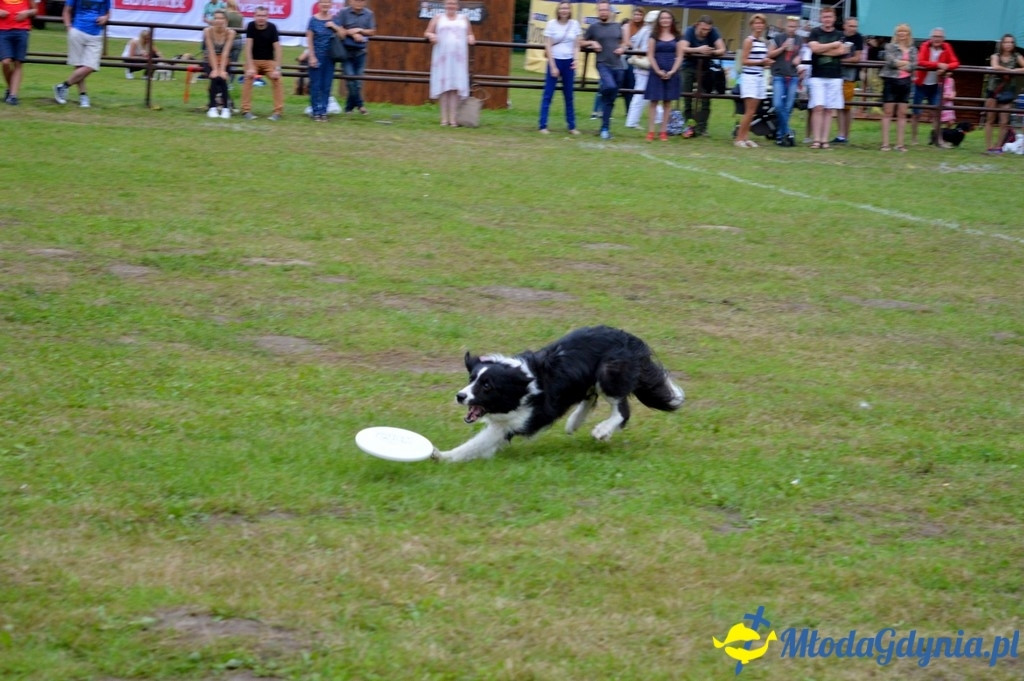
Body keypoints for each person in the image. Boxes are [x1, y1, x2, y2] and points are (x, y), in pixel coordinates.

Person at [425, 0, 475, 127]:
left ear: (457, 6)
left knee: (454, 88)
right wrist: (431, 36)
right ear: (445, 5)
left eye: (453, 4)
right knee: (444, 88)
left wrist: (470, 37)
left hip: (458, 58)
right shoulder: (438, 17)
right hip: (442, 57)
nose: (451, 6)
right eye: (448, 3)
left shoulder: (464, 18)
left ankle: (453, 119)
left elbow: (470, 34)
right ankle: (444, 118)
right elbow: (427, 32)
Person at [52, 0, 110, 108]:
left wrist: (106, 17)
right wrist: (69, 28)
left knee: (90, 66)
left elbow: (108, 11)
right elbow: (66, 11)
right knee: (79, 66)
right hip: (77, 31)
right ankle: (83, 96)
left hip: (95, 35)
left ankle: (63, 86)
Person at [582, 1, 626, 140]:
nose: (603, 12)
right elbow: (580, 42)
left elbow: (626, 42)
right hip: (603, 63)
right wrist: (591, 42)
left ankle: (605, 128)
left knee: (611, 99)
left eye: (605, 10)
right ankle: (602, 95)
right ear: (597, 12)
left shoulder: (618, 27)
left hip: (618, 66)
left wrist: (622, 48)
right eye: (600, 10)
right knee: (609, 86)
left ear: (610, 11)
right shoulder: (594, 27)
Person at [537, 1, 581, 135]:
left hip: (569, 62)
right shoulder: (551, 24)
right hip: (555, 60)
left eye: (567, 8)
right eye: (562, 8)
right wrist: (552, 65)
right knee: (548, 94)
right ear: (558, 10)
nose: (564, 10)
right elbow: (548, 46)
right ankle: (542, 125)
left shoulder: (575, 24)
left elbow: (576, 45)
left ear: (570, 10)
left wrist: (576, 60)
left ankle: (572, 126)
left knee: (569, 96)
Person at [806, 7, 847, 149]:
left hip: (835, 76)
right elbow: (814, 49)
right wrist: (833, 46)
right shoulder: (814, 32)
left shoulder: (840, 34)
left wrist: (823, 48)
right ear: (821, 18)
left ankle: (824, 140)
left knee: (829, 109)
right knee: (818, 107)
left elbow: (841, 51)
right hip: (817, 76)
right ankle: (816, 139)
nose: (827, 19)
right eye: (825, 17)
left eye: (829, 17)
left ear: (834, 18)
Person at [911, 27, 959, 143]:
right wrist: (939, 65)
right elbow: (921, 61)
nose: (937, 39)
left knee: (937, 113)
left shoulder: (947, 47)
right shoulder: (925, 46)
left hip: (936, 85)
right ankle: (914, 139)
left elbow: (956, 62)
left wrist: (946, 67)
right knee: (916, 113)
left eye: (939, 37)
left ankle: (938, 139)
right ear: (931, 38)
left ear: (943, 39)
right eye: (935, 36)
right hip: (921, 84)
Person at [679, 14, 725, 137]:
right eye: (703, 29)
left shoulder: (714, 32)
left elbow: (722, 49)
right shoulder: (689, 30)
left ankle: (702, 127)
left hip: (705, 68)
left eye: (708, 30)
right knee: (687, 96)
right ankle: (689, 126)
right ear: (697, 24)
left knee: (705, 97)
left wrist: (711, 52)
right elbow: (682, 47)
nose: (705, 32)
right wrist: (698, 50)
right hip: (688, 66)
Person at [734, 13, 773, 148]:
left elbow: (761, 61)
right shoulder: (748, 41)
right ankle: (739, 138)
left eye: (761, 23)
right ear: (752, 25)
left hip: (759, 77)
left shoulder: (763, 42)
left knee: (753, 111)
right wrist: (761, 61)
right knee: (749, 111)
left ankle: (746, 137)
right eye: (756, 23)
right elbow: (744, 60)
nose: (759, 25)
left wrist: (766, 63)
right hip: (749, 77)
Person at [643, 10, 683, 142]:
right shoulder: (653, 36)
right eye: (663, 18)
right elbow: (650, 55)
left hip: (672, 72)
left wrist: (672, 71)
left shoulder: (677, 36)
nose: (665, 20)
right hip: (656, 71)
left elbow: (679, 56)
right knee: (654, 101)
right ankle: (650, 131)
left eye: (668, 18)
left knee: (667, 102)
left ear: (672, 20)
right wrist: (657, 70)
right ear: (659, 20)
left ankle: (663, 131)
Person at [333, 0, 376, 115]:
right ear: (351, 1)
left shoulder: (369, 14)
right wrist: (352, 33)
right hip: (346, 51)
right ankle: (360, 105)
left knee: (357, 81)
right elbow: (338, 29)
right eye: (356, 0)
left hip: (361, 51)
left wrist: (360, 30)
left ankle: (349, 108)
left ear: (365, 2)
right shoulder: (343, 12)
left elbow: (372, 31)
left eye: (361, 1)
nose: (358, 3)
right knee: (350, 79)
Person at [983, 34, 1024, 153]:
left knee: (1004, 121)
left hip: (1008, 91)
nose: (1008, 44)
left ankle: (998, 147)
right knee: (990, 119)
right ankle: (989, 146)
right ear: (1002, 43)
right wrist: (1010, 71)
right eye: (1006, 42)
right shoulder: (995, 56)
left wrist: (1015, 70)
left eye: (1011, 42)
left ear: (1013, 44)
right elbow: (995, 66)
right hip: (994, 90)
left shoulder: (1017, 56)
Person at [878, 23, 916, 152]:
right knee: (888, 112)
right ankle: (885, 143)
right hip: (891, 81)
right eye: (899, 32)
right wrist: (905, 63)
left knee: (902, 113)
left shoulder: (913, 49)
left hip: (905, 82)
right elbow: (890, 61)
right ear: (896, 34)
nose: (901, 34)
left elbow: (914, 65)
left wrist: (902, 64)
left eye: (904, 32)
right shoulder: (889, 47)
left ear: (908, 34)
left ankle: (900, 144)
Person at [241, 6, 283, 121]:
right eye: (259, 15)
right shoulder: (250, 26)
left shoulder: (272, 27)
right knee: (248, 77)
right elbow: (248, 47)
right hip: (253, 61)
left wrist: (277, 69)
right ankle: (246, 110)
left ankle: (278, 112)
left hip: (269, 62)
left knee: (277, 79)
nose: (261, 18)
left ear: (267, 17)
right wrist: (250, 67)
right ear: (254, 16)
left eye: (263, 15)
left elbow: (278, 48)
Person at [768, 15, 802, 146]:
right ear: (785, 26)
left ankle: (780, 136)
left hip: (793, 76)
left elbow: (800, 54)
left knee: (788, 108)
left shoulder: (799, 39)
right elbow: (769, 54)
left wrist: (799, 58)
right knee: (777, 105)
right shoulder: (778, 38)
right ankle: (787, 132)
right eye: (790, 26)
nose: (792, 29)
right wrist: (782, 48)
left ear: (797, 27)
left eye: (794, 27)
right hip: (779, 75)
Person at [624, 10, 659, 130]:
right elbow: (636, 45)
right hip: (643, 67)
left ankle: (660, 118)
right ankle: (632, 122)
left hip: (646, 66)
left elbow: (633, 41)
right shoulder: (648, 32)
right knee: (640, 95)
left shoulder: (647, 31)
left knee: (651, 95)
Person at [306, 0, 338, 122]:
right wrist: (312, 56)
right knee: (316, 85)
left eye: (328, 3)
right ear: (319, 5)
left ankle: (324, 111)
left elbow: (342, 34)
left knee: (327, 85)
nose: (325, 5)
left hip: (330, 57)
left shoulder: (334, 19)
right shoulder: (313, 20)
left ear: (331, 5)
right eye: (323, 2)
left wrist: (334, 26)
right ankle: (315, 112)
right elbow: (309, 39)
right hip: (317, 55)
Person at [833, 16, 862, 144]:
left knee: (847, 106)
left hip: (849, 76)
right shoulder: (838, 36)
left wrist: (841, 61)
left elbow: (857, 58)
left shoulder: (858, 38)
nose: (853, 29)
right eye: (851, 26)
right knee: (838, 105)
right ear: (845, 26)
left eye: (855, 26)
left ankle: (845, 135)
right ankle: (840, 134)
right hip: (836, 74)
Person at [0, 0, 36, 105]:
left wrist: (27, 13)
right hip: (3, 31)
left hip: (22, 30)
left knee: (18, 63)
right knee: (6, 62)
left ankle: (13, 96)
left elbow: (35, 10)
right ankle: (11, 89)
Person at [202, 10, 235, 118]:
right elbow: (210, 50)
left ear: (226, 20)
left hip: (224, 60)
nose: (218, 21)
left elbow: (226, 52)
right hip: (209, 60)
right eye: (216, 18)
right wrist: (215, 69)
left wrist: (222, 70)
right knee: (215, 77)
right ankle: (212, 107)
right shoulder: (207, 31)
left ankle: (225, 108)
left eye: (221, 18)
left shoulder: (231, 32)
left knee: (222, 77)